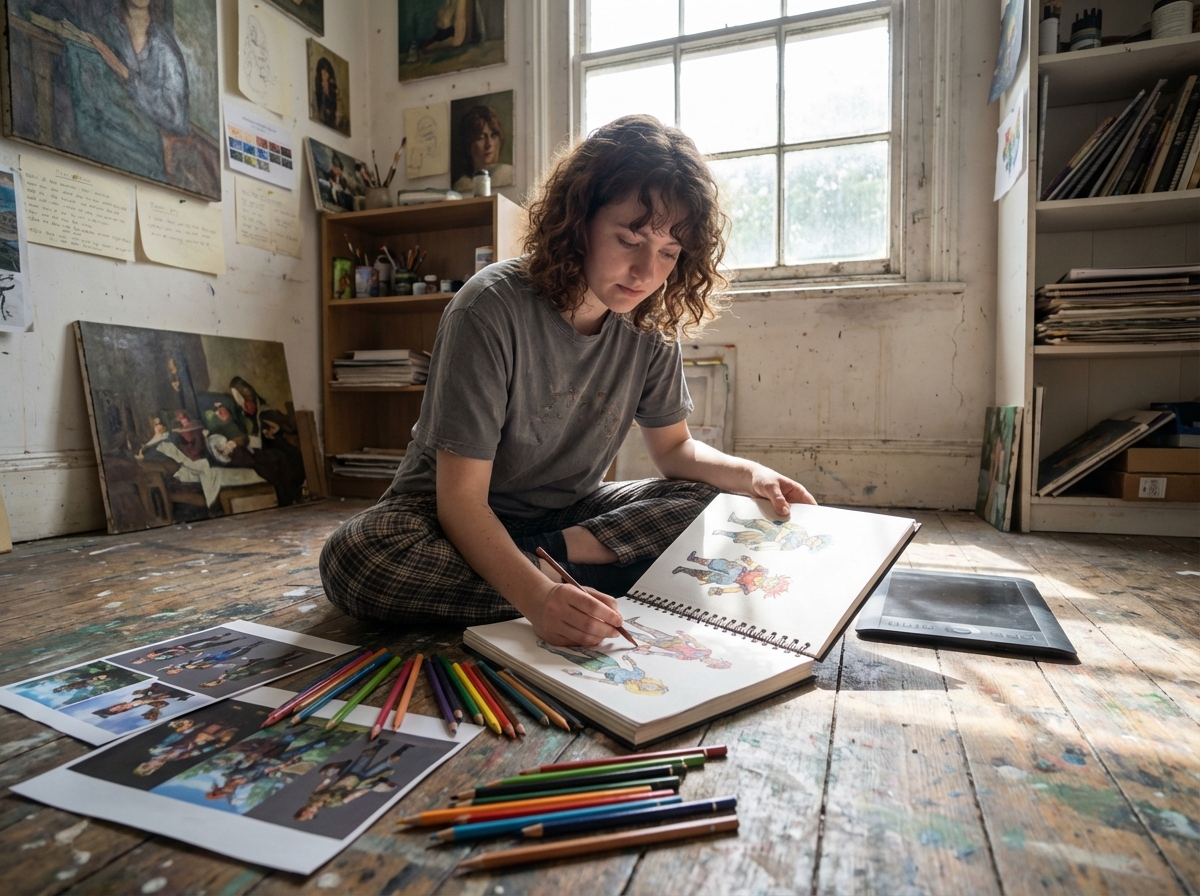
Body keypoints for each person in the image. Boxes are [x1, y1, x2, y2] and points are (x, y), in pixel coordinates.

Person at [319, 114, 815, 648]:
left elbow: (674, 452)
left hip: (562, 521)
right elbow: (460, 502)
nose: (647, 272)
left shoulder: (650, 325)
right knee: (358, 559)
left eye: (669, 254)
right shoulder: (489, 307)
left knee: (702, 502)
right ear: (578, 220)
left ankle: (543, 569)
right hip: (440, 519)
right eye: (630, 240)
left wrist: (751, 474)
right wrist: (535, 600)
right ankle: (586, 583)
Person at [452, 104, 513, 193]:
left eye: (493, 135)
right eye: (481, 138)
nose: (489, 144)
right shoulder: (461, 185)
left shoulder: (508, 174)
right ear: (468, 144)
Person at [313, 56, 339, 130]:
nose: (325, 75)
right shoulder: (317, 92)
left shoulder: (333, 90)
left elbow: (338, 113)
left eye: (326, 72)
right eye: (323, 72)